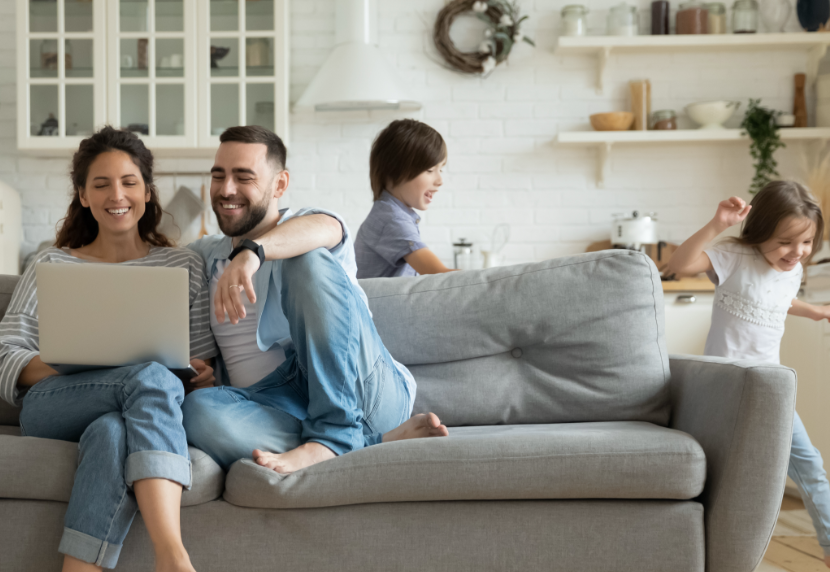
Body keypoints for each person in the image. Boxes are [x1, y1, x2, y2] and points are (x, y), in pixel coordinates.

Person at [0, 128, 218, 572]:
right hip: (54, 404)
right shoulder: (51, 264)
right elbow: (6, 354)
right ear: (82, 195)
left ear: (147, 191)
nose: (116, 195)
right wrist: (69, 362)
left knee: (110, 433)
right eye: (101, 184)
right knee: (149, 376)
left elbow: (201, 363)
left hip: (134, 410)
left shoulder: (183, 264)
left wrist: (201, 371)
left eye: (129, 182)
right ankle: (172, 556)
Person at [181, 125, 448, 476]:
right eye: (219, 176)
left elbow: (325, 229)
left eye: (243, 177)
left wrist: (253, 252)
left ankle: (334, 433)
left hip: (363, 388)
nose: (227, 189)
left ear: (279, 184)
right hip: (277, 402)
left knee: (305, 256)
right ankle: (369, 442)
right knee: (195, 411)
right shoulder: (203, 255)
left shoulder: (307, 225)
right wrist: (196, 369)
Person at [666, 180, 830, 568]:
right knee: (722, 475)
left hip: (769, 389)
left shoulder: (790, 269)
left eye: (806, 243)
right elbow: (679, 265)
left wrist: (816, 310)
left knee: (810, 465)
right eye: (786, 242)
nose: (797, 253)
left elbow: (777, 298)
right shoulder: (733, 256)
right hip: (725, 387)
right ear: (761, 232)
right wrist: (716, 223)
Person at [354, 119, 455, 278]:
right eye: (430, 170)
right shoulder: (392, 220)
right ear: (393, 171)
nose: (440, 180)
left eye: (440, 169)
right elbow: (441, 275)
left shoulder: (392, 214)